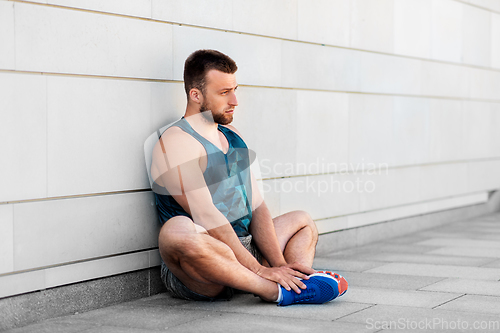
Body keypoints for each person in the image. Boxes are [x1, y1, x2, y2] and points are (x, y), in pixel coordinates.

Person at [148, 49, 347, 306]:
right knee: (175, 232)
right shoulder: (177, 141)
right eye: (224, 93)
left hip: (244, 247)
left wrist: (278, 265)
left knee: (302, 221)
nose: (235, 100)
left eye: (234, 89)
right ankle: (272, 290)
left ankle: (295, 281)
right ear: (195, 95)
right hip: (207, 256)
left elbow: (256, 204)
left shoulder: (232, 135)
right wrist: (258, 269)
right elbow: (205, 215)